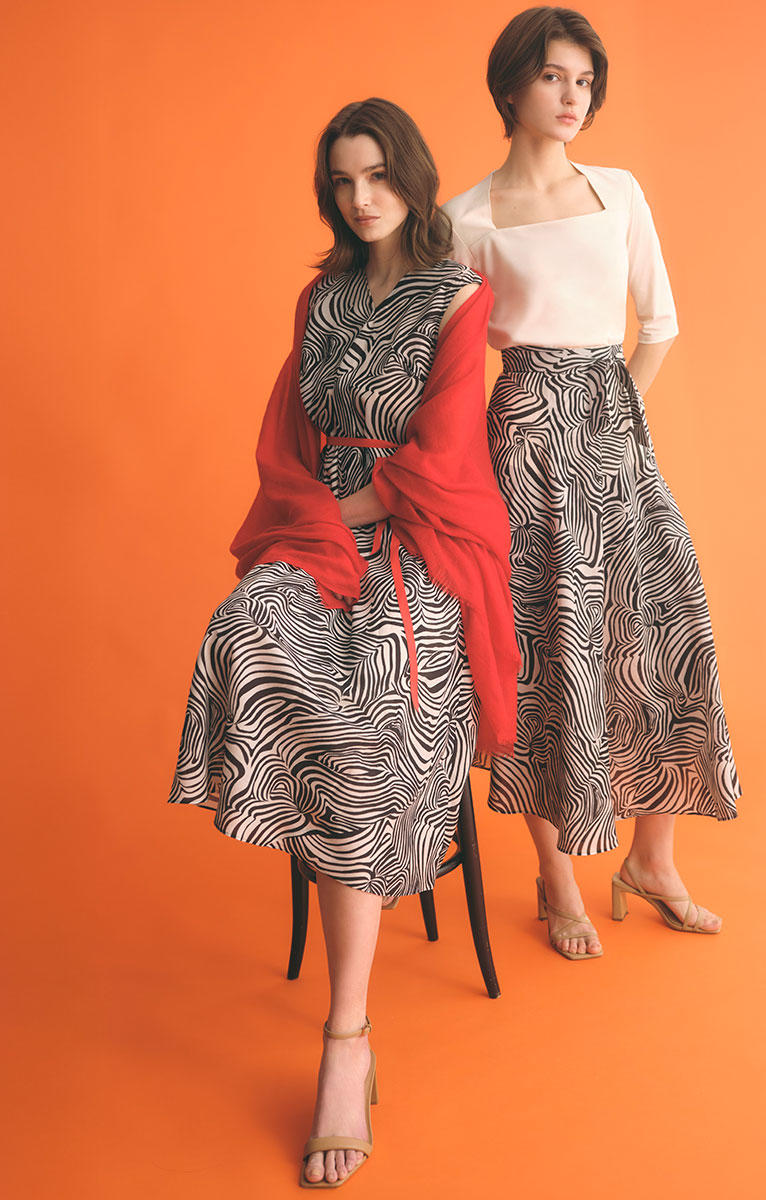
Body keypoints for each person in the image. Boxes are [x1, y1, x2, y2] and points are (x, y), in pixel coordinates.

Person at [169, 97, 517, 1187]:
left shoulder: (458, 296)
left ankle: (345, 1038)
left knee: (370, 712)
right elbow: (286, 441)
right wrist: (309, 525)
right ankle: (325, 812)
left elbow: (445, 454)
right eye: (342, 181)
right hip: (313, 535)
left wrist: (346, 513)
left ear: (412, 175)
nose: (361, 198)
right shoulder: (319, 300)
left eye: (377, 175)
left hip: (419, 544)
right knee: (242, 628)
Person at [442, 7, 740, 962]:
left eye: (584, 81)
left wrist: (618, 417)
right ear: (510, 87)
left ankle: (652, 861)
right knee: (546, 650)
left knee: (662, 629)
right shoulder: (467, 218)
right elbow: (452, 363)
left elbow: (660, 323)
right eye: (553, 78)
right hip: (525, 443)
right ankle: (558, 876)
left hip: (615, 435)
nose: (573, 97)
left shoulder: (619, 192)